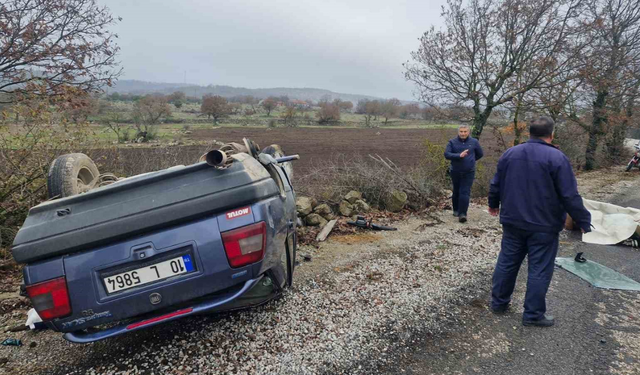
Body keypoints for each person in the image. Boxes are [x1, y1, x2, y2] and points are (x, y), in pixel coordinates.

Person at [488, 116, 591, 327]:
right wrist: (583, 220)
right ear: (551, 134)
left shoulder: (510, 153)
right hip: (544, 225)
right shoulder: (557, 158)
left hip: (513, 221)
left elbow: (496, 183)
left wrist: (493, 204)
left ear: (529, 133)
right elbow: (569, 195)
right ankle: (533, 315)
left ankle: (498, 303)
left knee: (507, 262)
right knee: (539, 269)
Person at [444, 125, 484, 223]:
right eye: (461, 131)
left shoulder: (474, 142)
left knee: (465, 192)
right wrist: (459, 156)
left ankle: (463, 214)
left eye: (465, 131)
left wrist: (471, 160)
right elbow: (447, 154)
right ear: (458, 132)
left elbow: (480, 154)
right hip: (455, 171)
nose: (463, 133)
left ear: (468, 132)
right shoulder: (452, 142)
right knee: (456, 191)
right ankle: (456, 210)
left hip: (469, 172)